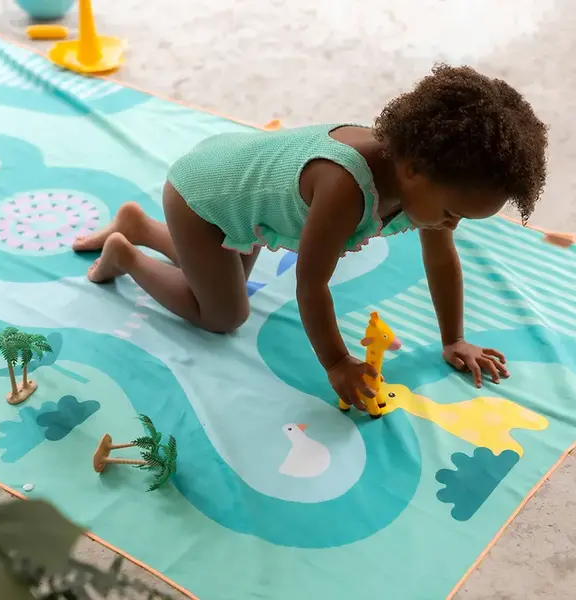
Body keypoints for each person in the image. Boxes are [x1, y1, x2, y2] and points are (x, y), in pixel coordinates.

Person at [72, 64, 548, 412]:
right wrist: (337, 362)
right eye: (451, 214)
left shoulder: (422, 170)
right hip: (203, 198)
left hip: (243, 196)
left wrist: (454, 339)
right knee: (224, 314)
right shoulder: (345, 188)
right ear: (413, 171)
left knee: (223, 273)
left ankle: (139, 225)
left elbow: (442, 260)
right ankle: (127, 254)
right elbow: (311, 283)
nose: (451, 226)